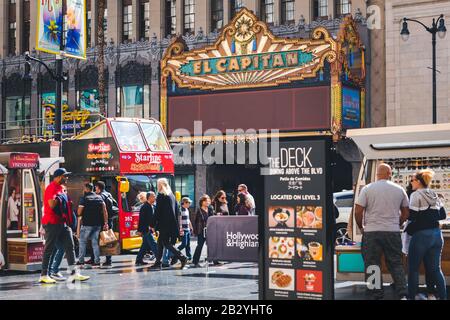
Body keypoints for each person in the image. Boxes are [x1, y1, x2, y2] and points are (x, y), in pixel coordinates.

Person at [354, 163, 409, 300]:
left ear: (377, 174)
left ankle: (376, 294)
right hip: (392, 231)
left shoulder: (367, 189)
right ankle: (402, 293)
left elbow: (358, 211)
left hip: (372, 232)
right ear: (389, 173)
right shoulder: (399, 189)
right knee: (395, 262)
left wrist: (361, 227)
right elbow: (406, 212)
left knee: (372, 264)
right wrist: (398, 223)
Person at [39, 168, 90, 284]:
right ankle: (44, 274)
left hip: (62, 222)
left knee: (70, 246)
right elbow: (51, 205)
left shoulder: (62, 188)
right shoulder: (51, 188)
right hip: (51, 222)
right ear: (57, 177)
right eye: (64, 176)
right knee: (49, 249)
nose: (66, 178)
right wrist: (61, 199)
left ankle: (74, 273)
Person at [406, 169, 447, 300]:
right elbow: (443, 215)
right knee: (436, 270)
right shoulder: (434, 194)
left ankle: (411, 297)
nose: (410, 182)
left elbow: (412, 216)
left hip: (421, 236)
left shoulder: (415, 195)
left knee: (413, 269)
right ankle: (443, 297)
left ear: (418, 182)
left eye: (412, 180)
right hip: (436, 235)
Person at [150, 178, 187, 270]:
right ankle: (158, 262)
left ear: (161, 185)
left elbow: (157, 212)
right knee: (160, 242)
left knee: (166, 243)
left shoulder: (161, 196)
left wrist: (152, 224)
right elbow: (177, 211)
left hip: (164, 225)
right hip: (172, 224)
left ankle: (182, 257)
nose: (157, 187)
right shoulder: (172, 196)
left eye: (158, 185)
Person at [76, 183, 109, 268]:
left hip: (87, 224)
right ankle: (97, 261)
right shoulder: (99, 197)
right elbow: (105, 211)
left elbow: (79, 212)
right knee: (95, 243)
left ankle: (81, 261)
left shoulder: (84, 198)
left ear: (86, 189)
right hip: (97, 224)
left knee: (83, 242)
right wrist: (106, 223)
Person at [95, 181, 119, 268]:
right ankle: (109, 259)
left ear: (98, 188)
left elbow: (101, 210)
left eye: (96, 188)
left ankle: (95, 258)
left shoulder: (100, 196)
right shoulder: (109, 194)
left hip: (102, 221)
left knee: (97, 240)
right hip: (110, 220)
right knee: (108, 240)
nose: (95, 189)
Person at [135, 192, 158, 266]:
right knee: (153, 244)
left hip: (149, 229)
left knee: (145, 245)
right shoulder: (145, 207)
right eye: (153, 196)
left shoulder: (152, 206)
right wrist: (140, 230)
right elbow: (142, 220)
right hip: (146, 229)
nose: (155, 198)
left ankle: (138, 260)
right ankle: (159, 259)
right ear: (149, 198)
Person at [192, 195, 214, 267]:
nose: (207, 202)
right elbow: (195, 221)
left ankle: (215, 260)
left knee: (211, 245)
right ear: (202, 202)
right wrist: (195, 231)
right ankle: (195, 261)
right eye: (206, 201)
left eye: (208, 200)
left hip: (209, 231)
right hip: (201, 230)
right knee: (200, 245)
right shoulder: (199, 210)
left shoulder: (210, 209)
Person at [178, 197, 193, 261]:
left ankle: (189, 256)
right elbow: (179, 220)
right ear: (184, 203)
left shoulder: (187, 210)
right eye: (188, 203)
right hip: (183, 229)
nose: (189, 204)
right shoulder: (180, 210)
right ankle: (174, 253)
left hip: (188, 229)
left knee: (188, 244)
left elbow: (188, 219)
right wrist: (180, 229)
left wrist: (191, 227)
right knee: (184, 244)